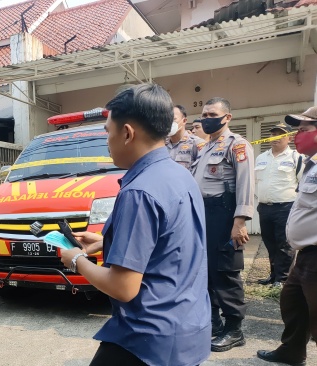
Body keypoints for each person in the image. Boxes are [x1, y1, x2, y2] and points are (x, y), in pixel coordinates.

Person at [60, 84, 211, 366]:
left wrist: (77, 259)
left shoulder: (138, 192)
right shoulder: (179, 175)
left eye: (107, 131)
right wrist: (106, 242)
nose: (106, 140)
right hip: (188, 327)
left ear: (127, 133)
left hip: (148, 339)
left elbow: (123, 287)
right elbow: (171, 241)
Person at [191, 97, 255, 352]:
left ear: (227, 117)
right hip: (204, 215)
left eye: (212, 114)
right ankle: (215, 323)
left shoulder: (237, 145)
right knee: (207, 271)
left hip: (225, 214)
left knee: (226, 272)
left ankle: (234, 329)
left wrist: (240, 222)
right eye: (204, 114)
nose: (206, 118)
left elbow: (246, 183)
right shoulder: (205, 147)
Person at [257, 107, 317, 366]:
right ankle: (292, 351)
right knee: (292, 302)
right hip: (305, 255)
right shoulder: (311, 164)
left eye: (304, 130)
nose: (297, 136)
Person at [254, 122, 303, 287]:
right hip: (264, 208)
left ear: (289, 138)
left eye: (280, 134)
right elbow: (255, 182)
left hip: (285, 208)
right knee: (269, 243)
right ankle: (274, 275)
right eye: (273, 134)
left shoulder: (296, 157)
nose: (275, 137)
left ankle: (283, 279)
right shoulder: (261, 158)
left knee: (284, 244)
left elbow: (302, 184)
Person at [165, 104, 205, 169]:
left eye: (173, 119)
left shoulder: (196, 143)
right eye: (166, 119)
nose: (169, 123)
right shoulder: (161, 145)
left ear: (184, 121)